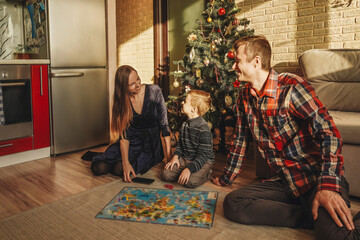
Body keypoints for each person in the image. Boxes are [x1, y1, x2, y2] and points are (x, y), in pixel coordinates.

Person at [211, 35, 360, 239]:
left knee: (342, 238)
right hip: (285, 181)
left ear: (256, 62)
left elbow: (329, 133)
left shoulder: (292, 87)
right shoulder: (245, 96)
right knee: (234, 203)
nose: (233, 66)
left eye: (237, 60)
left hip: (315, 177)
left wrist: (327, 185)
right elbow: (240, 140)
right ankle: (312, 217)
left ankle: (323, 214)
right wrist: (226, 177)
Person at [90, 65, 171, 182]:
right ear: (123, 88)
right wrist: (125, 162)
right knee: (98, 167)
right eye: (132, 84)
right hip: (130, 141)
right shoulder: (122, 101)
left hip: (150, 145)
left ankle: (119, 164)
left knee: (118, 170)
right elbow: (124, 136)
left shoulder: (154, 91)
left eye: (138, 79)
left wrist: (168, 155)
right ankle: (118, 161)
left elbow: (164, 126)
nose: (138, 85)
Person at [161, 90, 214, 188]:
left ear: (193, 109)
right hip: (186, 158)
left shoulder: (204, 130)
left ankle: (206, 173)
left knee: (190, 182)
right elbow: (181, 144)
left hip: (202, 161)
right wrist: (176, 156)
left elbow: (203, 156)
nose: (182, 103)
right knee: (166, 174)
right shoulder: (185, 124)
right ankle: (185, 170)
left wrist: (189, 169)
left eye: (185, 102)